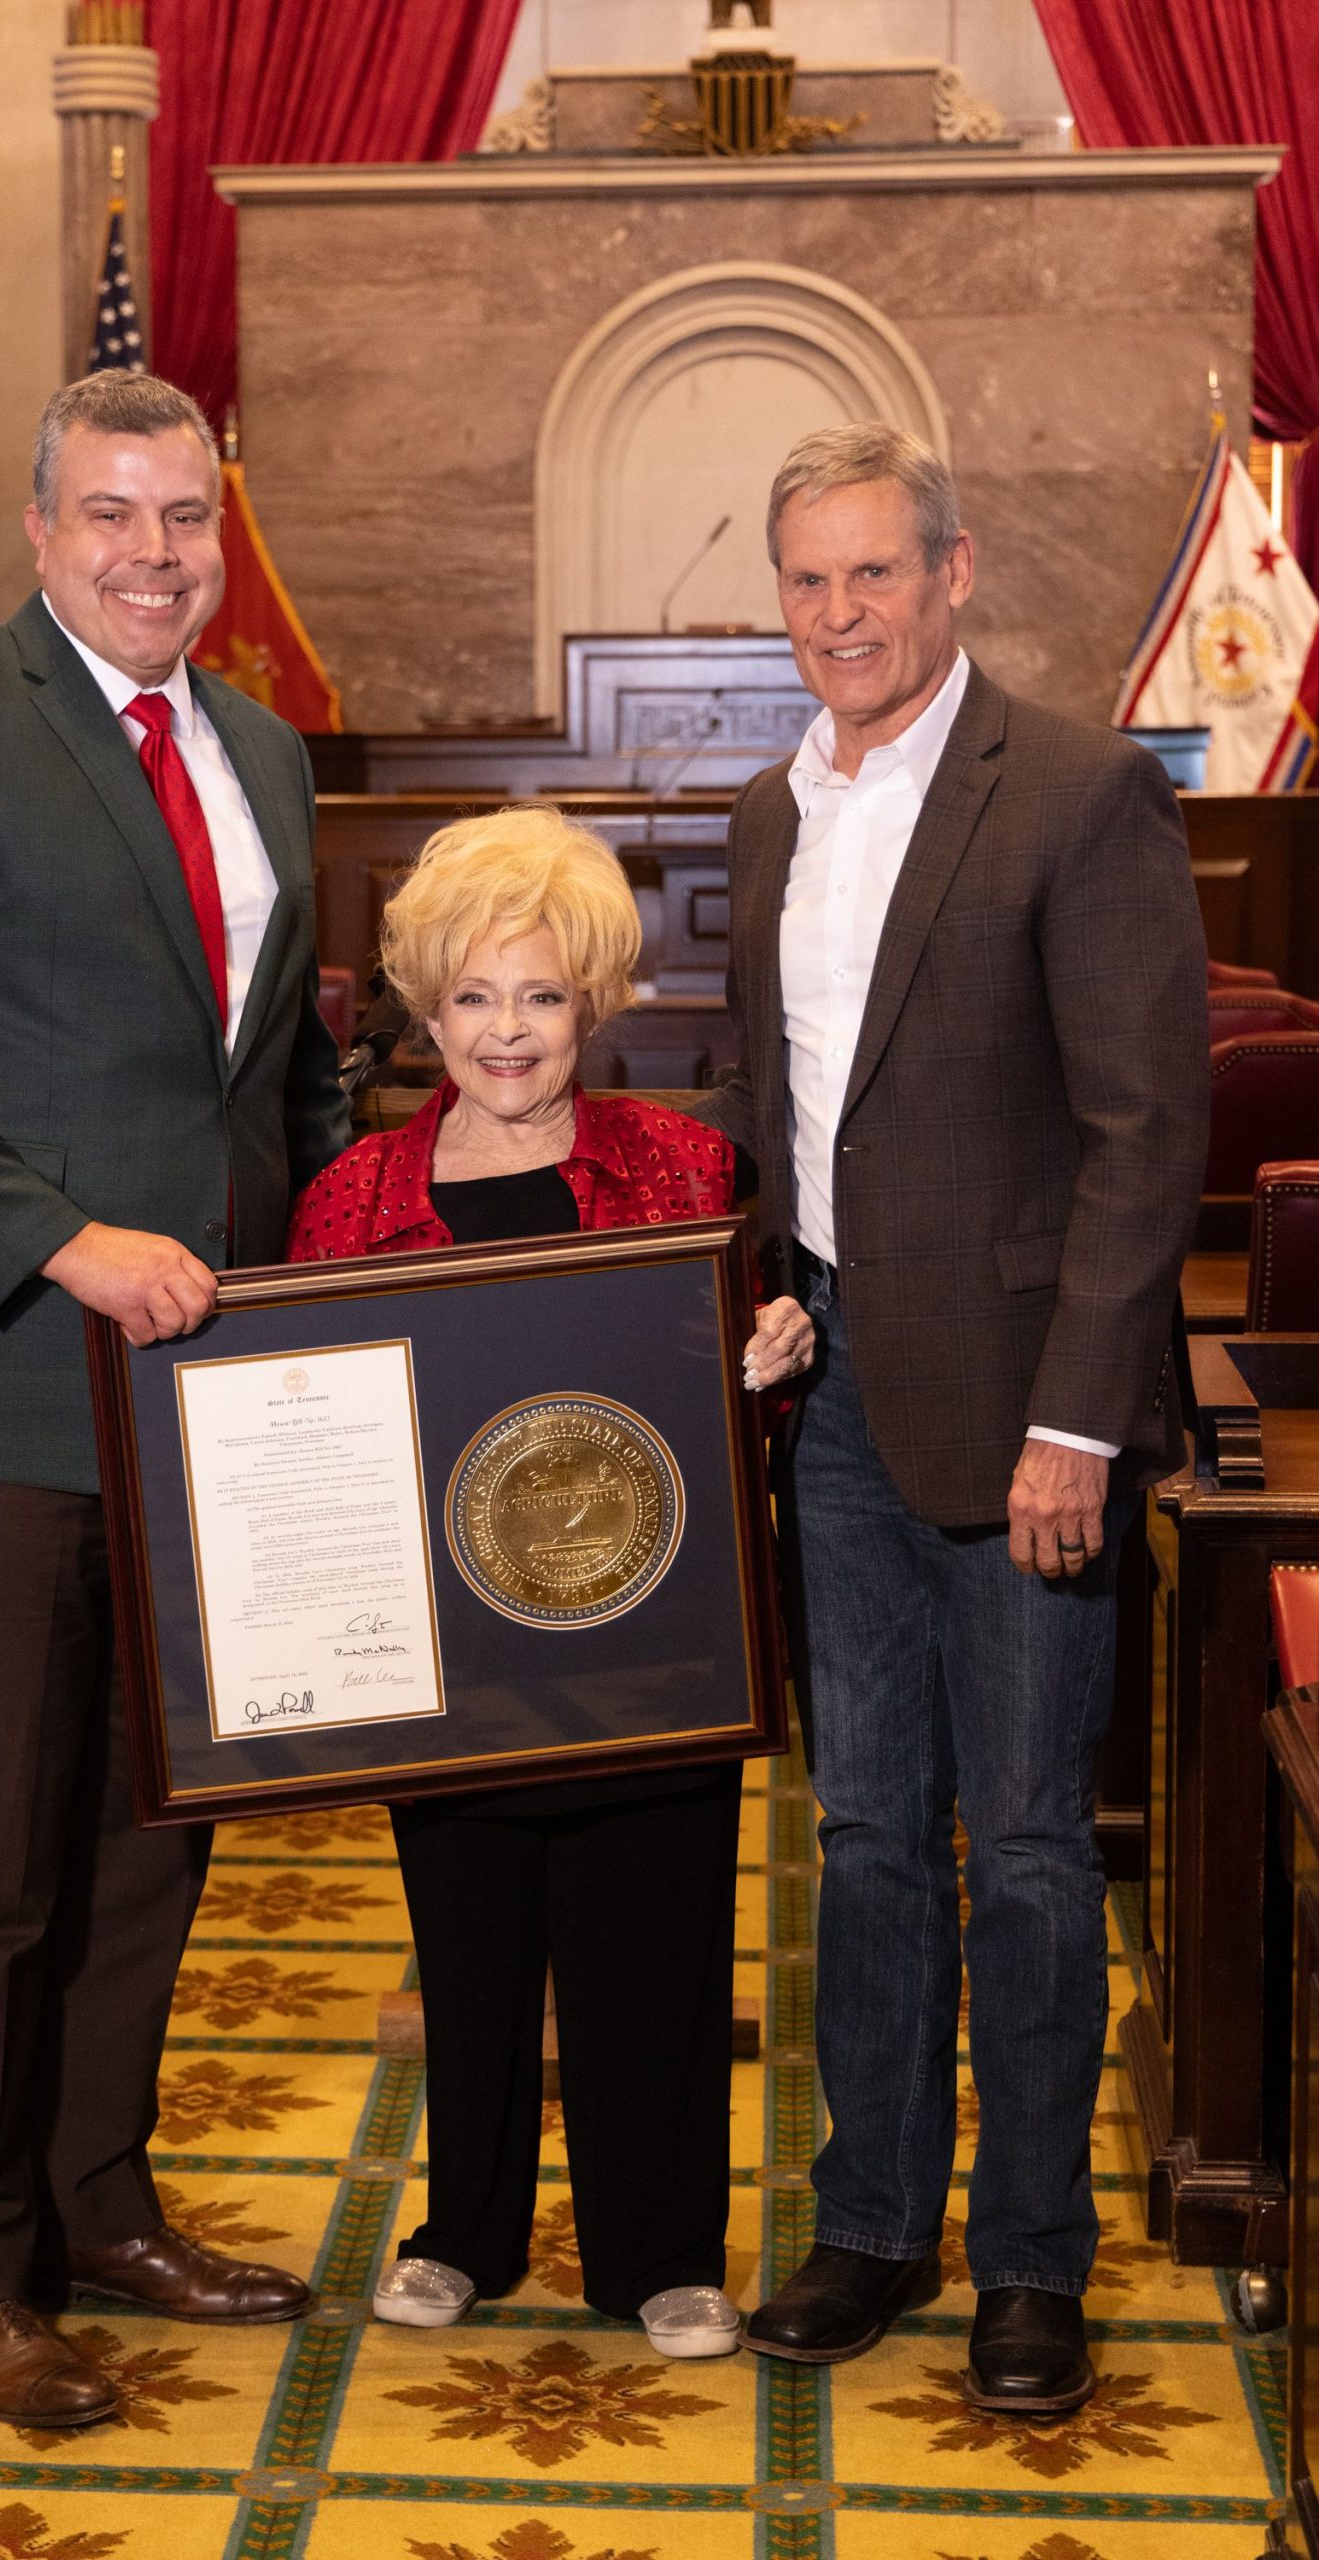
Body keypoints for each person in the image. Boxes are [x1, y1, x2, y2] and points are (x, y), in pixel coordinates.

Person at [0, 369, 350, 2428]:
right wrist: (62, 1239)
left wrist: (343, 1265)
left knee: (144, 1830)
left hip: (212, 1392)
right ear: (37, 529)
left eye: (182, 517)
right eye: (109, 515)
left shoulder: (266, 753)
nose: (152, 554)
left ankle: (97, 2195)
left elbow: (271, 1083)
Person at [698, 423, 1209, 2415]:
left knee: (1019, 1852)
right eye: (805, 581)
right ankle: (871, 2221)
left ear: (951, 571)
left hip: (1023, 1419)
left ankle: (1027, 2262)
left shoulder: (1074, 793)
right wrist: (754, 1290)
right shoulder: (767, 811)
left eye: (872, 576)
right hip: (825, 1394)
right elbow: (785, 1105)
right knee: (853, 1839)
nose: (837, 614)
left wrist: (1079, 1419)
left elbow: (1138, 1129)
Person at [287, 805, 813, 2358]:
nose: (506, 1034)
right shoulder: (349, 1201)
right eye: (472, 999)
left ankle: (661, 2255)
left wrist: (776, 1357)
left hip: (647, 1631)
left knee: (650, 1938)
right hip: (443, 1644)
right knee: (469, 1946)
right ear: (424, 1009)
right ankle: (468, 2231)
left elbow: (739, 1396)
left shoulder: (687, 1167)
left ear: (592, 1004)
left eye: (539, 997)